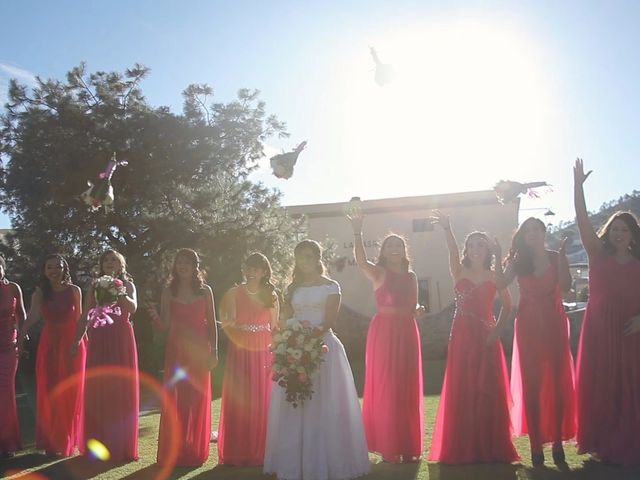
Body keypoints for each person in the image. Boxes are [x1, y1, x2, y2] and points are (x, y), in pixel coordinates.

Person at [264, 240, 370, 480]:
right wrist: (289, 342)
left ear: (317, 259)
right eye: (301, 257)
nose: (305, 261)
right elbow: (285, 318)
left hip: (323, 348)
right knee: (296, 403)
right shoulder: (292, 289)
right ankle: (295, 463)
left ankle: (326, 462)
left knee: (325, 403)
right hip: (294, 348)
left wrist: (308, 341)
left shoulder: (331, 286)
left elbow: (330, 321)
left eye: (309, 256)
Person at [428, 213, 519, 464]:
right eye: (471, 245)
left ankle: (490, 445)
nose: (476, 248)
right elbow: (451, 249)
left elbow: (508, 306)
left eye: (481, 244)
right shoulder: (458, 271)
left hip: (487, 335)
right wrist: (448, 228)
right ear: (466, 250)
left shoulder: (494, 277)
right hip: (461, 335)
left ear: (488, 249)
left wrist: (496, 332)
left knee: (488, 389)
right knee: (463, 387)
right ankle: (463, 446)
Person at [573, 158, 640, 466]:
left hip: (631, 330)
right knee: (603, 384)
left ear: (632, 234)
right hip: (600, 330)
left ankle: (630, 439)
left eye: (624, 229)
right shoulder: (596, 253)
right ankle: (603, 440)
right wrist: (578, 188)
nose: (619, 233)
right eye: (615, 228)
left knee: (631, 385)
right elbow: (584, 221)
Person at [496, 216, 576, 466]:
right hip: (529, 325)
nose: (532, 233)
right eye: (527, 230)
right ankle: (536, 445)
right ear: (523, 235)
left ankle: (557, 443)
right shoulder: (518, 261)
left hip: (554, 323)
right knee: (533, 384)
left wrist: (562, 259)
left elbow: (566, 286)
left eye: (536, 229)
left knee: (558, 382)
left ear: (544, 232)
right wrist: (498, 257)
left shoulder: (555, 256)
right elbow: (500, 283)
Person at [348, 210, 423, 462]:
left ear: (404, 251)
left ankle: (409, 446)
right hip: (384, 332)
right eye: (389, 245)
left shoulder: (412, 276)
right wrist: (357, 230)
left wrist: (418, 310)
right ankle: (390, 446)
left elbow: (413, 304)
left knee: (407, 386)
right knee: (388, 387)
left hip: (407, 331)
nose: (394, 248)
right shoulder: (378, 273)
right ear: (383, 251)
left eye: (398, 245)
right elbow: (359, 262)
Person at [18, 254, 86, 456]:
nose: (54, 271)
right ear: (44, 271)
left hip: (71, 343)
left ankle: (65, 441)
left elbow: (81, 318)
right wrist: (22, 333)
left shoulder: (75, 290)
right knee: (49, 391)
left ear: (65, 269)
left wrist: (77, 341)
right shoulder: (40, 292)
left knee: (69, 392)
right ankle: (50, 442)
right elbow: (33, 316)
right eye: (50, 267)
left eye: (58, 267)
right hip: (49, 344)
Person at [154, 249, 217, 466]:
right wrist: (154, 316)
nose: (183, 266)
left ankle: (194, 449)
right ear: (175, 266)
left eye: (187, 262)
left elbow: (211, 323)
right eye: (179, 262)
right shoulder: (168, 291)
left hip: (200, 350)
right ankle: (176, 449)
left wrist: (215, 351)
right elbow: (165, 326)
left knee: (197, 399)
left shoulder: (205, 291)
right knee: (176, 399)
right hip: (177, 351)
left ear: (195, 266)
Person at [75, 249, 139, 461]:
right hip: (100, 336)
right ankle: (98, 443)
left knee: (120, 387)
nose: (110, 262)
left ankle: (122, 444)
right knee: (99, 387)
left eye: (114, 259)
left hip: (121, 336)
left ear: (121, 264)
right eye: (106, 260)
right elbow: (85, 314)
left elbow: (133, 308)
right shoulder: (94, 286)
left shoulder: (128, 285)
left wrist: (120, 290)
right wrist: (77, 340)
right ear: (101, 264)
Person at [218, 252, 278, 465]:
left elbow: (275, 327)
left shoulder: (271, 294)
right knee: (241, 396)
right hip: (241, 349)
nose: (251, 272)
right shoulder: (235, 292)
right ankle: (239, 449)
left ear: (264, 272)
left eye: (256, 269)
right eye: (248, 268)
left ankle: (261, 449)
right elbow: (230, 321)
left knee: (262, 397)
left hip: (263, 348)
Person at [0, 256, 26, 457]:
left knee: (6, 393)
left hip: (9, 347)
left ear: (3, 267)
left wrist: (23, 340)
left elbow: (22, 315)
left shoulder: (13, 288)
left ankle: (8, 443)